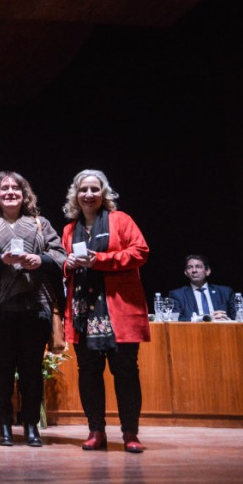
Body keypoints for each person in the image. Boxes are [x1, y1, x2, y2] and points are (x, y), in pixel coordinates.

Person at [0, 172, 64, 447]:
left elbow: (60, 255)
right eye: (4, 188)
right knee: (2, 369)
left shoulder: (41, 224)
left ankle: (31, 426)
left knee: (32, 369)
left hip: (35, 305)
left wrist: (39, 259)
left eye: (15, 188)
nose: (9, 192)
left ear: (24, 193)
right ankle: (4, 426)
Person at [61, 169, 150, 454]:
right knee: (88, 372)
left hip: (118, 310)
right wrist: (69, 265)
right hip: (83, 312)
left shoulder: (120, 220)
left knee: (125, 371)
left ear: (104, 193)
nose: (89, 194)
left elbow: (140, 252)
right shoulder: (68, 229)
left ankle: (130, 433)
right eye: (83, 189)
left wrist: (99, 260)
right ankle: (96, 431)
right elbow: (63, 264)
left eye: (94, 189)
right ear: (76, 195)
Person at [168, 255, 236, 321]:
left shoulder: (225, 292)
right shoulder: (177, 295)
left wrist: (226, 319)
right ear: (186, 273)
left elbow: (238, 317)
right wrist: (203, 319)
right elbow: (176, 320)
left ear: (207, 271)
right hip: (192, 331)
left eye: (198, 267)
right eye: (190, 267)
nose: (194, 270)